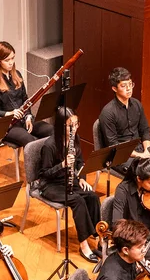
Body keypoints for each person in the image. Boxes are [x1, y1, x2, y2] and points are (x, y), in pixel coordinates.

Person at [38, 106, 104, 260]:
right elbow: (44, 175)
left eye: (76, 124)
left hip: (69, 179)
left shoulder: (75, 138)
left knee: (92, 196)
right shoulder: (50, 146)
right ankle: (84, 245)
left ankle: (99, 239)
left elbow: (80, 162)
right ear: (61, 126)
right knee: (78, 200)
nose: (74, 128)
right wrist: (62, 165)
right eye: (70, 126)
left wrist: (81, 178)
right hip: (51, 185)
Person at [0, 40, 53, 148]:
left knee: (51, 130)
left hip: (24, 119)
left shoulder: (17, 75)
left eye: (13, 58)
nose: (11, 62)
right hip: (7, 126)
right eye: (7, 60)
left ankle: (54, 163)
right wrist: (8, 114)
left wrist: (28, 116)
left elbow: (26, 100)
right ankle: (38, 164)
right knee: (30, 141)